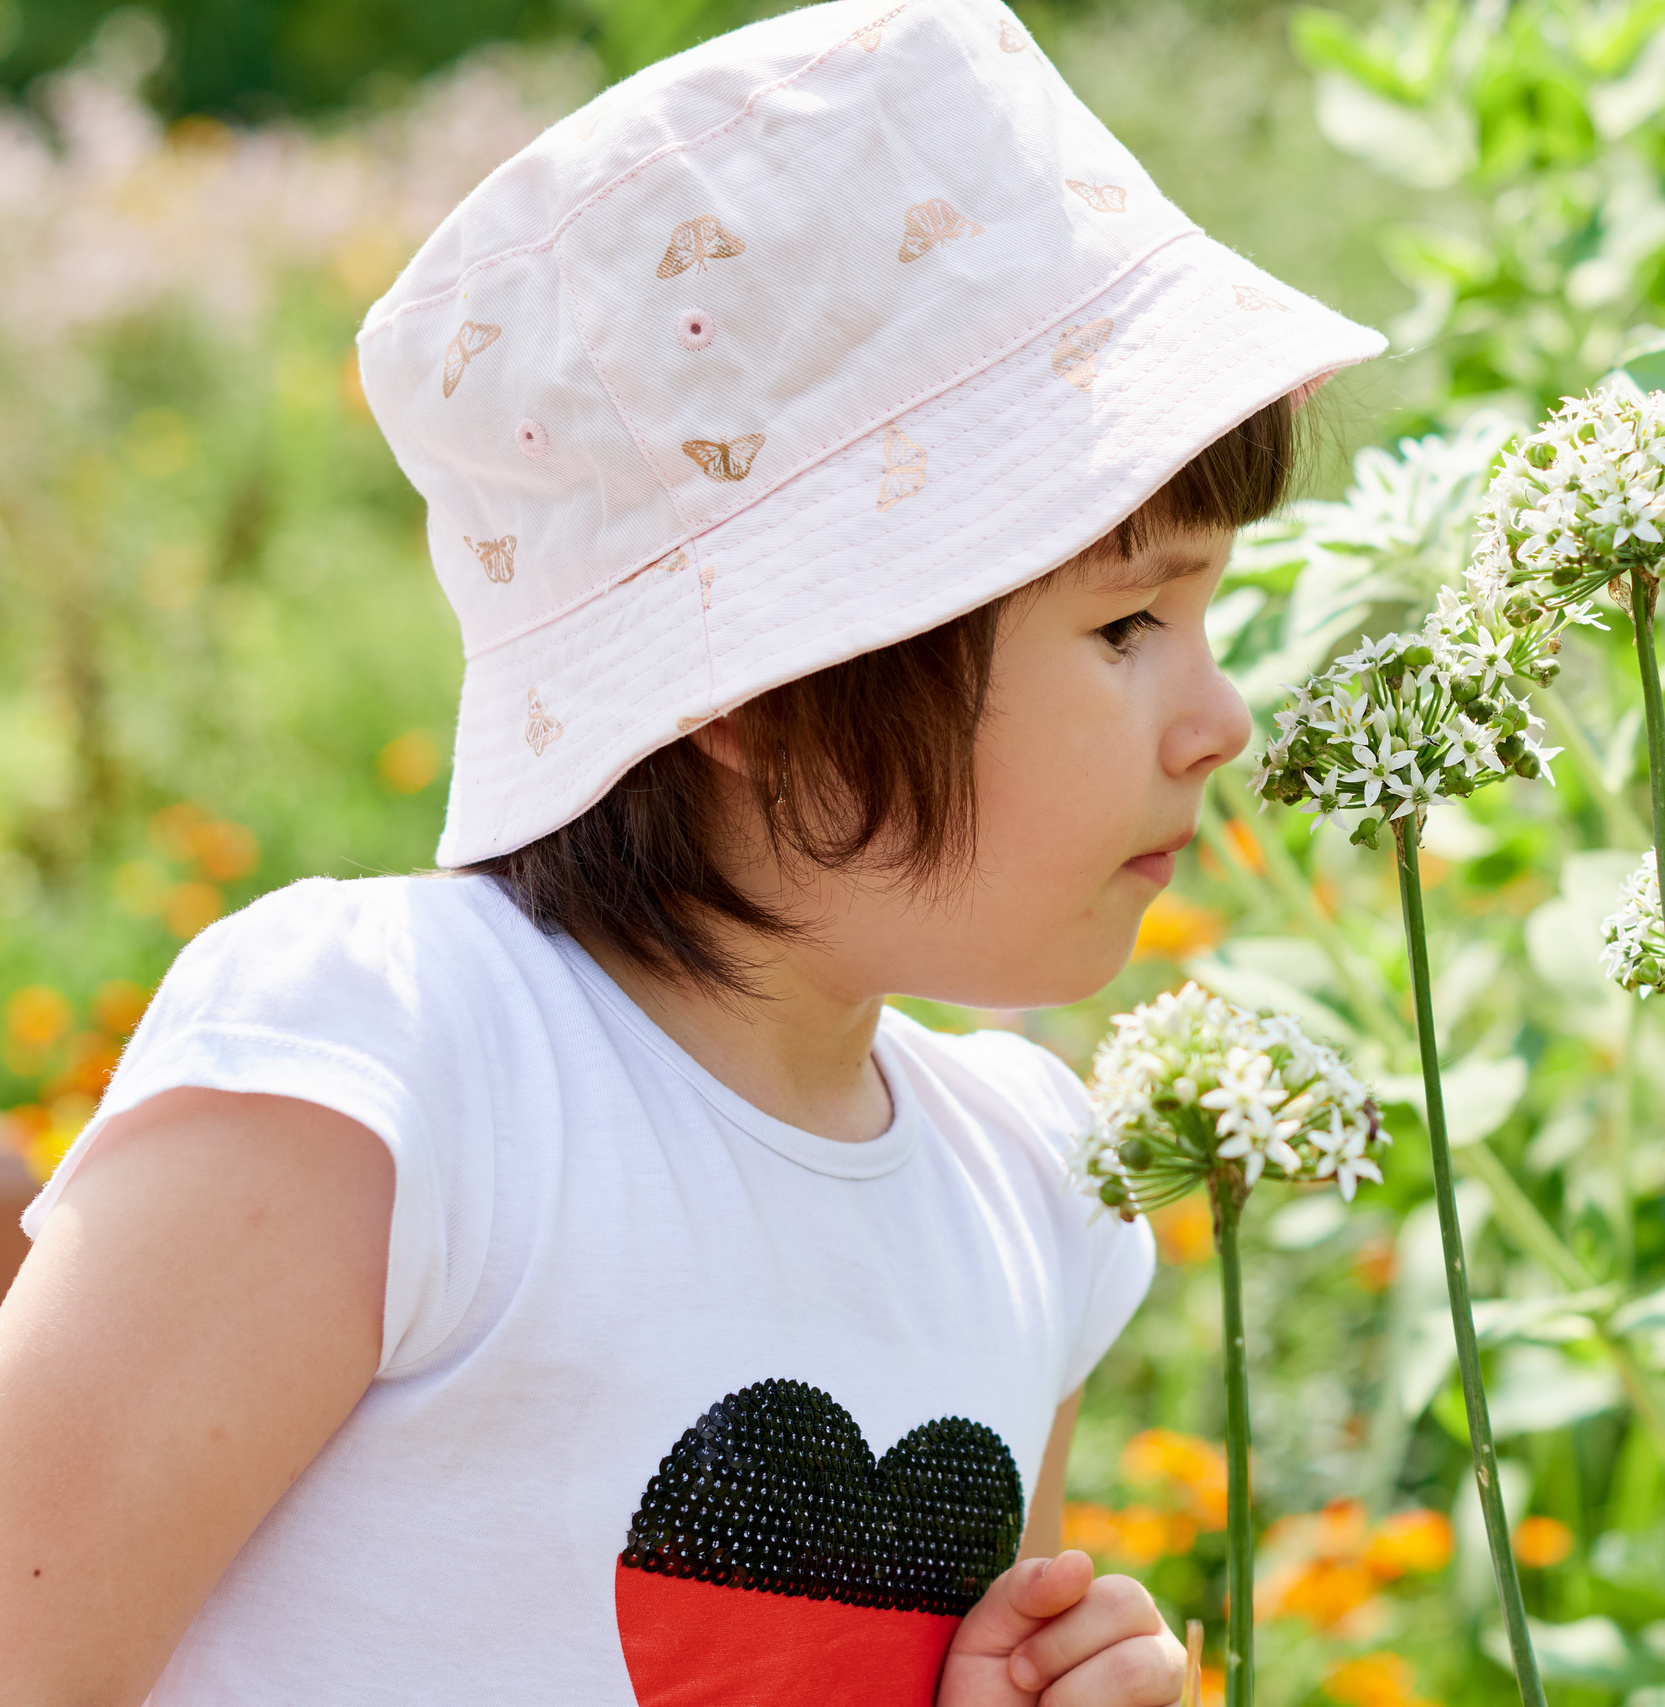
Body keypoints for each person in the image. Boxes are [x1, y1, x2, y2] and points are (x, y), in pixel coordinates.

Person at [0, 2, 1382, 1701]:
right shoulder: (400, 1073)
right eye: (1126, 625)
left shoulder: (1029, 1190)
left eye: (1204, 614)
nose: (1219, 717)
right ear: (766, 690)